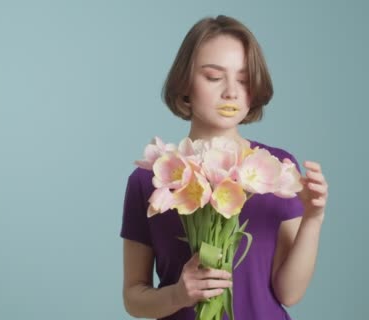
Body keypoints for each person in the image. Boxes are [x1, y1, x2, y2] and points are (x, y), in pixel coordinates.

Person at [121, 15, 328, 320]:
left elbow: (289, 293)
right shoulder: (150, 178)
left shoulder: (275, 170)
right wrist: (178, 294)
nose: (231, 92)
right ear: (185, 84)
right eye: (214, 77)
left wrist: (313, 217)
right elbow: (133, 297)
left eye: (244, 79)